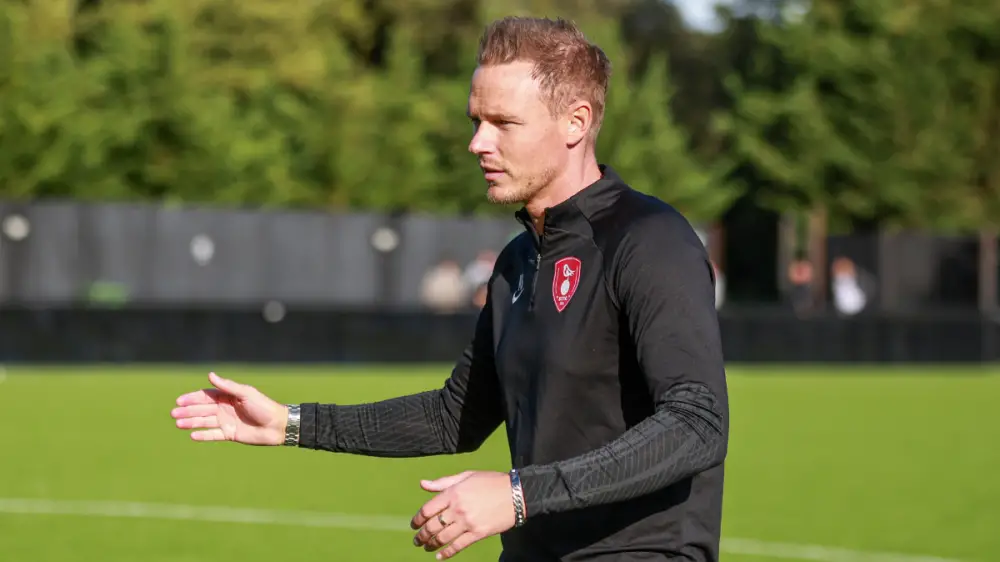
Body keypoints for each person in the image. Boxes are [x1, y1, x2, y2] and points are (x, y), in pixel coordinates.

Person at [171, 16, 729, 562]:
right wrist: (291, 423)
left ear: (575, 122)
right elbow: (455, 415)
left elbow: (697, 423)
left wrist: (518, 494)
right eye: (475, 120)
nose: (477, 143)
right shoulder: (518, 259)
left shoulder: (650, 241)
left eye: (503, 123)